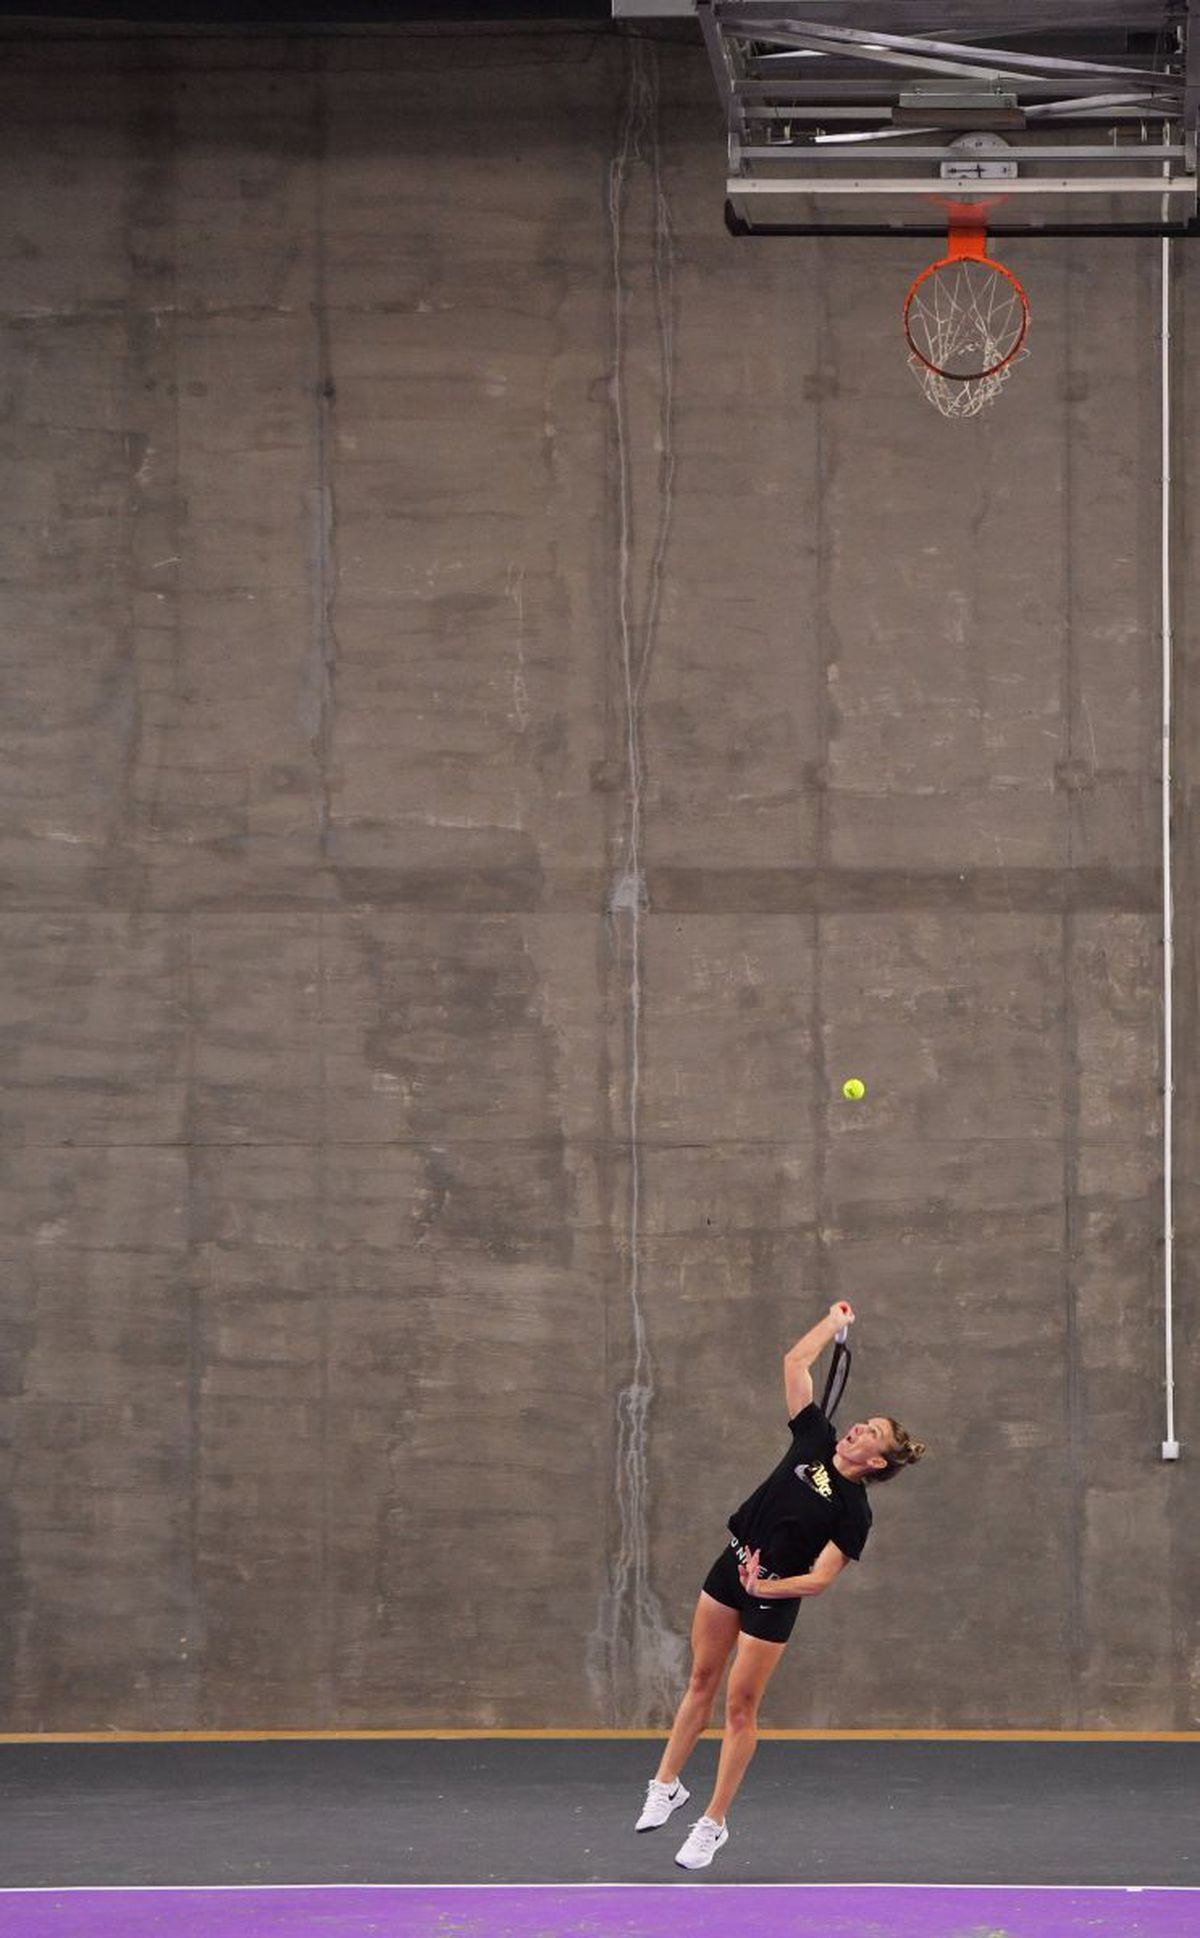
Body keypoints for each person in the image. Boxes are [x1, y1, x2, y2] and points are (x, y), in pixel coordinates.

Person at [634, 1300, 926, 1870]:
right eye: (864, 1421)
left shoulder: (855, 1512)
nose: (860, 1427)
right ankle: (666, 1785)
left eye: (873, 1432)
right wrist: (832, 1323)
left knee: (740, 1708)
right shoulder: (815, 1436)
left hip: (774, 1595)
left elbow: (819, 1580)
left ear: (877, 1462)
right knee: (701, 1679)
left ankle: (713, 1823)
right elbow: (795, 1362)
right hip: (732, 1565)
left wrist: (766, 1589)